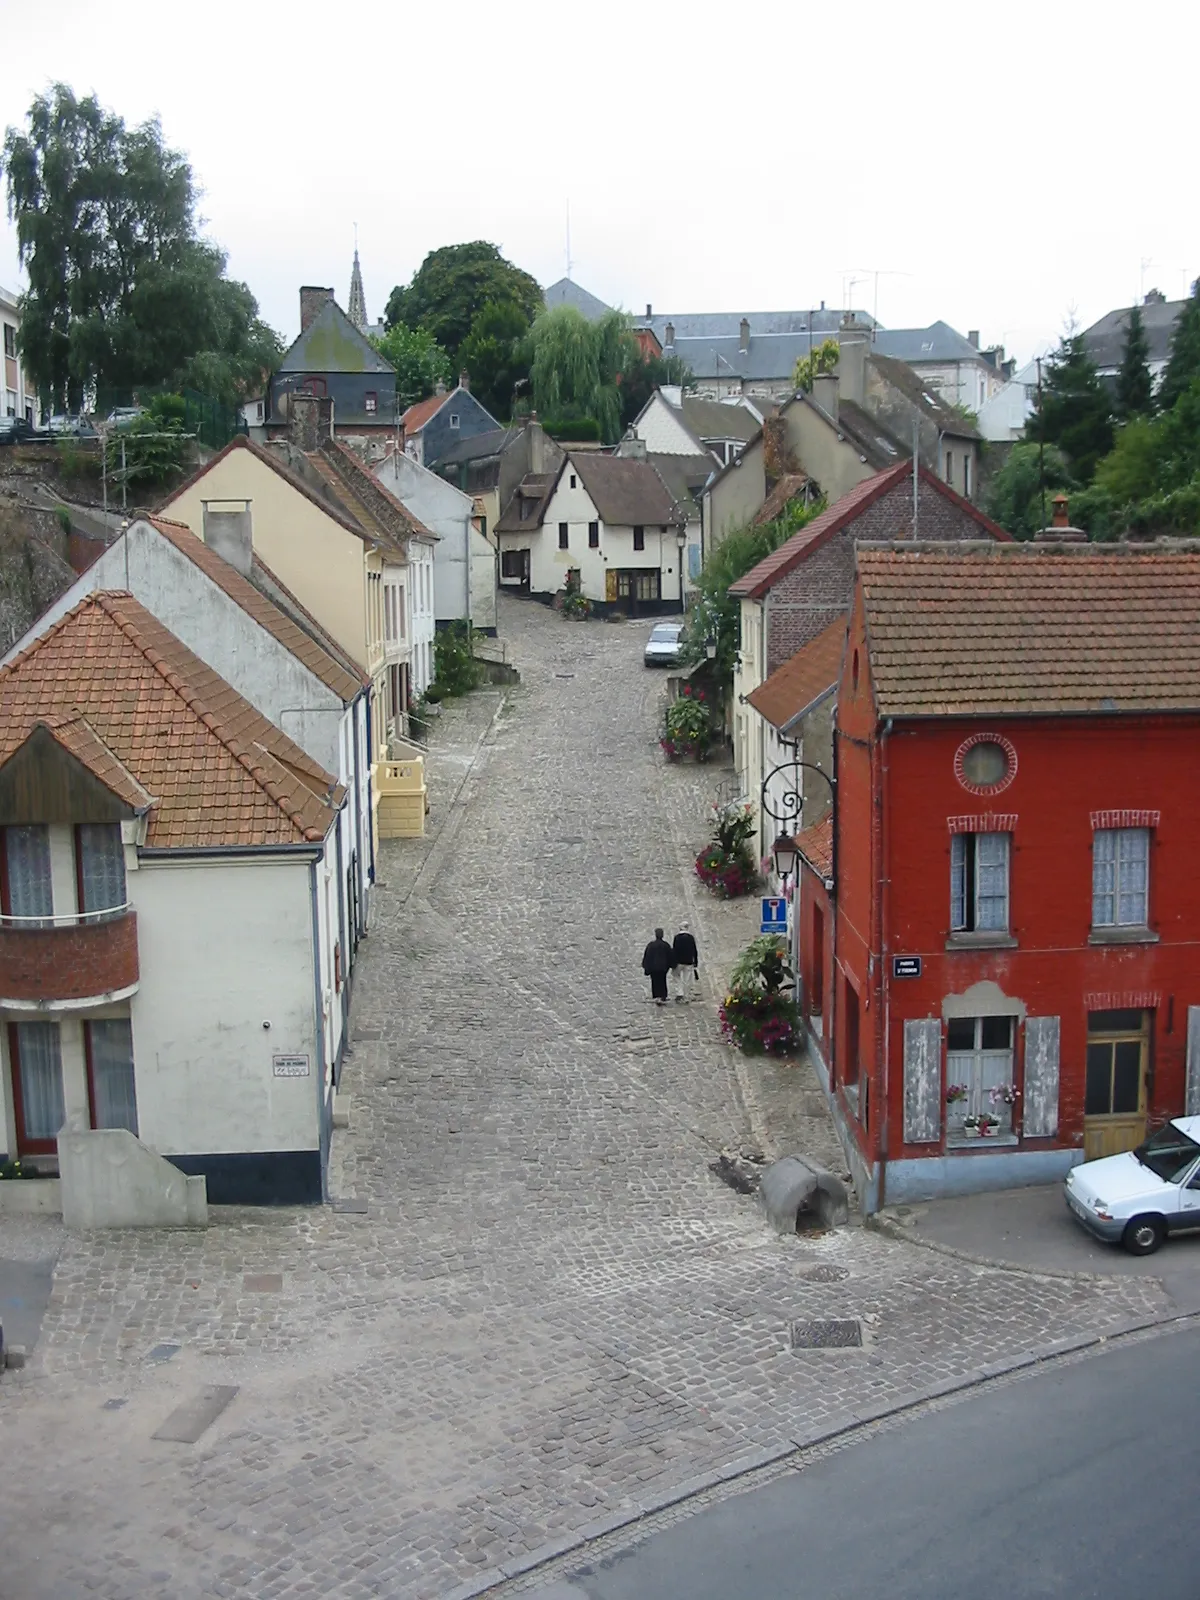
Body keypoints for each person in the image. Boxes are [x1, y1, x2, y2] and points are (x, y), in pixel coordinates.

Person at [641, 927, 675, 1006]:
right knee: (662, 981)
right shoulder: (665, 945)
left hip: (653, 968)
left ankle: (656, 995)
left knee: (654, 981)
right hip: (663, 967)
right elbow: (670, 956)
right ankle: (663, 995)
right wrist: (671, 965)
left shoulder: (651, 945)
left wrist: (646, 966)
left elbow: (647, 956)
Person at [671, 923, 699, 1002]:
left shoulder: (677, 938)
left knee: (676, 976)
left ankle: (680, 992)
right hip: (689, 961)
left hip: (679, 962)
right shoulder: (691, 938)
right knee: (687, 979)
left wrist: (673, 961)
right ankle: (686, 995)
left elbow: (674, 950)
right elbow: (694, 950)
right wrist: (695, 961)